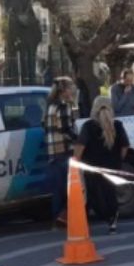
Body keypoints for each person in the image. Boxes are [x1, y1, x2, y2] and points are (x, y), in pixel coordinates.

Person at [74, 96, 129, 234]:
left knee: (95, 195)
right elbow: (125, 146)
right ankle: (113, 220)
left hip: (92, 167)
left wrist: (76, 161)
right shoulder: (117, 125)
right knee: (110, 192)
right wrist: (118, 160)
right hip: (113, 165)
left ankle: (104, 217)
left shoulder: (88, 126)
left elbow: (80, 146)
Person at [42, 77, 79, 227]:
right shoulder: (64, 107)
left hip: (53, 151)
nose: (73, 91)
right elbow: (66, 129)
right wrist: (78, 140)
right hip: (64, 150)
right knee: (69, 188)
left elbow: (44, 125)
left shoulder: (50, 106)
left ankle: (56, 219)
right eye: (71, 88)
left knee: (57, 189)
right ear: (64, 91)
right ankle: (66, 218)